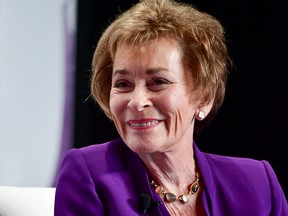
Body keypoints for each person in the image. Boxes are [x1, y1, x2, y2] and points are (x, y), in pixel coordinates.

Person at [54, 0, 288, 215]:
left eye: (158, 82)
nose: (136, 101)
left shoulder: (257, 184)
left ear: (204, 97)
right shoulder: (90, 176)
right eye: (123, 84)